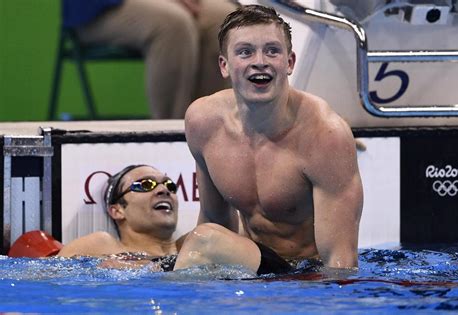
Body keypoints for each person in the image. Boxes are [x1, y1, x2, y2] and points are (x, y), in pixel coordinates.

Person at [183, 5, 364, 270]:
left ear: (289, 62)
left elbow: (342, 262)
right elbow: (214, 219)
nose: (260, 61)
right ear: (224, 65)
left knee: (204, 240)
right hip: (251, 272)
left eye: (272, 50)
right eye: (245, 52)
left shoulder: (325, 136)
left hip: (304, 277)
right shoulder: (203, 121)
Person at [58, 164, 285, 274]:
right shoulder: (104, 245)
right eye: (146, 185)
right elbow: (45, 277)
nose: (163, 190)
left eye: (169, 185)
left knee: (206, 237)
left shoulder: (195, 242)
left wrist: (147, 268)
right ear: (117, 210)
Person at [62, 0, 238, 119]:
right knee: (173, 24)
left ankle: (209, 125)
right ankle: (170, 135)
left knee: (225, 19)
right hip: (101, 8)